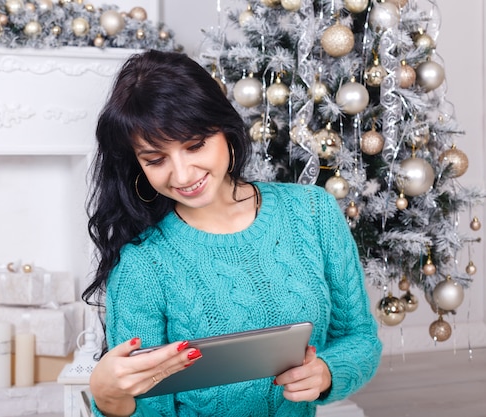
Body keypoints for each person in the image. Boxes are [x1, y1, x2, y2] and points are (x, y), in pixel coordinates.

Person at [82, 49, 382, 417]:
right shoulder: (142, 266)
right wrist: (109, 397)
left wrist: (327, 372)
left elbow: (360, 338)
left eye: (195, 145)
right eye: (155, 159)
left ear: (224, 129)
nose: (182, 174)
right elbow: (148, 409)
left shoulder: (312, 212)